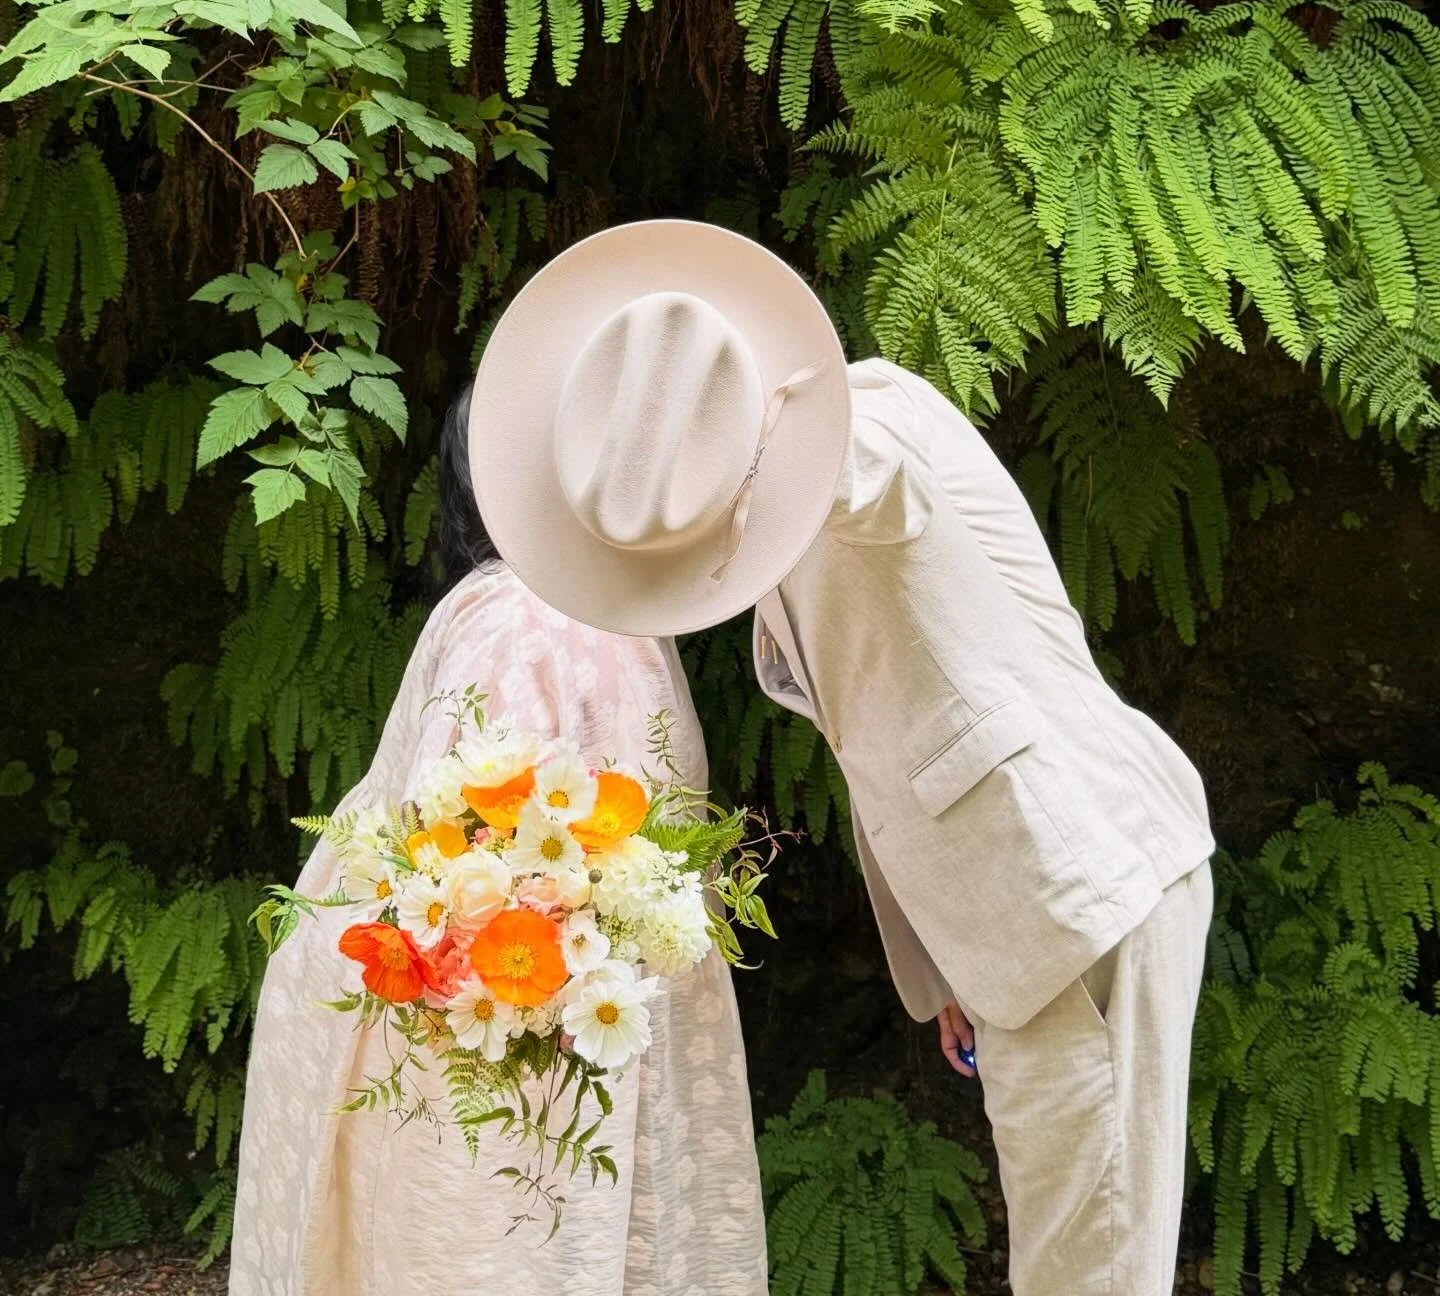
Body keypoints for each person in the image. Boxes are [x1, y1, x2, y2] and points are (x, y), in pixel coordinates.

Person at [468, 219, 1215, 1296]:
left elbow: (879, 487)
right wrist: (943, 964)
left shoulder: (868, 431)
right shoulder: (761, 525)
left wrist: (730, 446)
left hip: (1073, 887)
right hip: (1015, 919)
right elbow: (894, 747)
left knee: (1088, 1274)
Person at [228, 384, 768, 1296]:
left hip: (545, 1009)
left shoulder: (545, 611)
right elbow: (465, 845)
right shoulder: (556, 614)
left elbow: (464, 841)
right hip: (530, 1008)